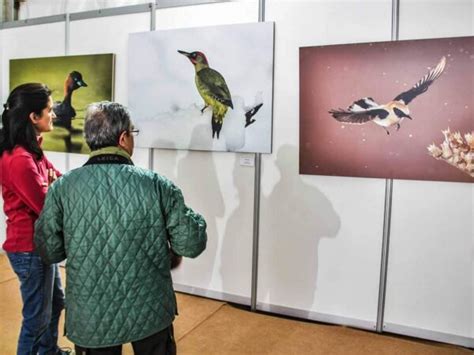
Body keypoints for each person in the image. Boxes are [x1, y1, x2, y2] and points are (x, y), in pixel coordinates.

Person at [34, 101, 207, 355]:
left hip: (91, 315)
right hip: (150, 309)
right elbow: (191, 243)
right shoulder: (156, 184)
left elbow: (50, 251)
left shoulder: (63, 188)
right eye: (133, 134)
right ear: (123, 138)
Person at [0, 83, 69, 355]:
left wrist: (52, 186)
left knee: (56, 302)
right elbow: (48, 205)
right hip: (29, 249)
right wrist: (51, 189)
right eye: (49, 110)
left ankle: (48, 352)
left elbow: (58, 182)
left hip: (40, 245)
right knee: (36, 319)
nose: (54, 115)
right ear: (33, 117)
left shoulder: (32, 151)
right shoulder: (20, 159)